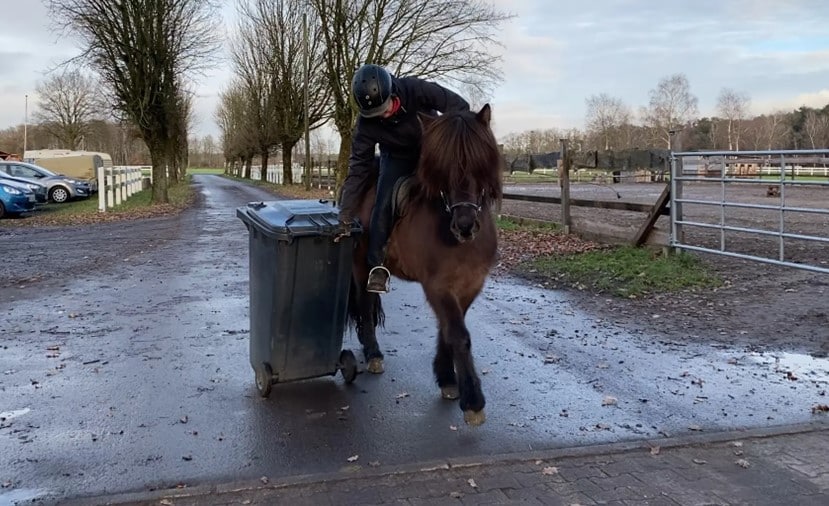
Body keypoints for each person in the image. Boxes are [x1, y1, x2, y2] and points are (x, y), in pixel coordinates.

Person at [337, 64, 470, 294]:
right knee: (383, 203)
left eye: (384, 108)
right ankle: (376, 266)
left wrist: (452, 138)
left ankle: (465, 239)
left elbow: (460, 107)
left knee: (459, 185)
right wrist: (346, 215)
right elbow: (358, 168)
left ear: (392, 93)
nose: (383, 115)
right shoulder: (365, 125)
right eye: (376, 114)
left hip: (432, 150)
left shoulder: (416, 89)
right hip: (396, 159)